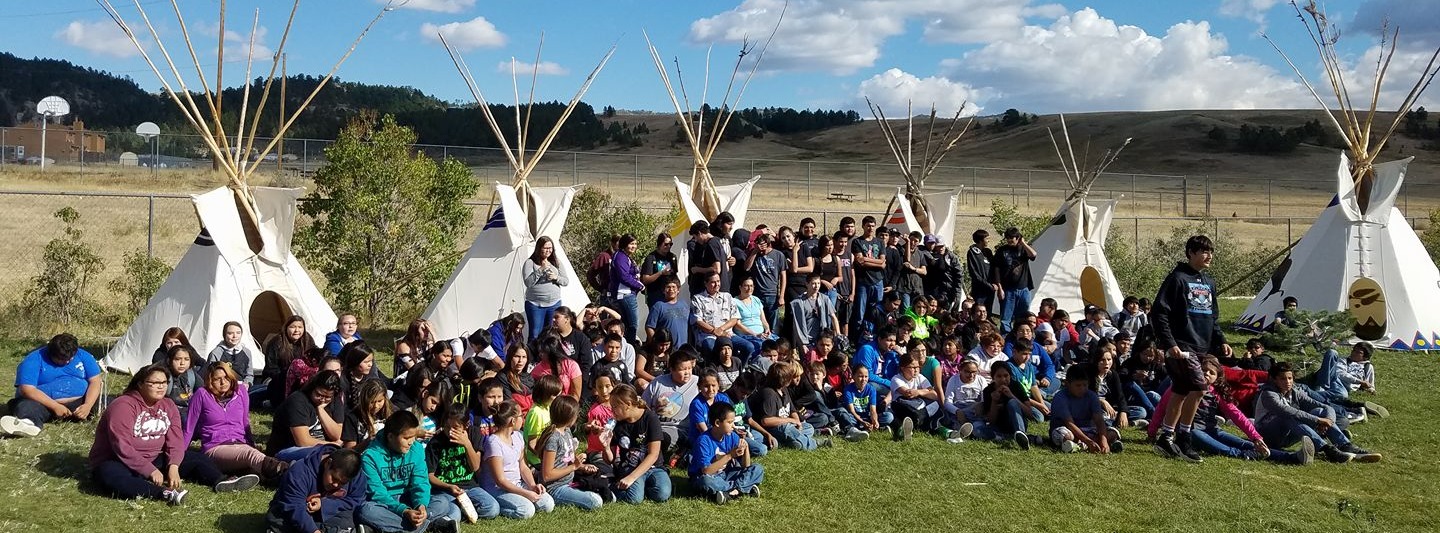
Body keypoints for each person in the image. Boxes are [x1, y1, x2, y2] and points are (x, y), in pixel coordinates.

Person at [89, 364, 258, 506]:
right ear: (140, 384)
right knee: (111, 477)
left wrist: (173, 466)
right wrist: (150, 470)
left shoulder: (168, 405)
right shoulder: (123, 405)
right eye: (154, 383)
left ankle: (222, 481)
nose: (161, 386)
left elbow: (175, 439)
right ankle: (163, 493)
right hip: (117, 460)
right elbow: (122, 445)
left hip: (155, 456)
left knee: (196, 458)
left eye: (164, 382)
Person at [1150, 235, 1233, 463]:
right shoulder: (1177, 279)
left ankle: (1167, 437)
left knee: (1181, 390)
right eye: (1204, 251)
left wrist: (1221, 340)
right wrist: (1170, 344)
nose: (1209, 256)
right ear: (1191, 253)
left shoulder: (1209, 282)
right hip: (1182, 347)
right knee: (1198, 388)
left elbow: (1213, 317)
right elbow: (1159, 313)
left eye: (1211, 252)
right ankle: (1184, 436)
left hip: (1202, 345)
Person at [1148, 356, 1313, 465]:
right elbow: (1162, 408)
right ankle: (1246, 455)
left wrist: (1255, 437)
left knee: (1245, 443)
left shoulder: (1216, 392)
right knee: (1223, 447)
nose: (1206, 374)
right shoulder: (1182, 388)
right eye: (1203, 370)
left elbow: (1236, 415)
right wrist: (1152, 432)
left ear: (1217, 378)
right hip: (1193, 433)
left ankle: (1293, 458)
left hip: (1212, 429)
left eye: (1211, 372)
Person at [1255, 362, 1381, 463]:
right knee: (1288, 416)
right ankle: (1327, 449)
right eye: (1283, 379)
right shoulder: (1268, 394)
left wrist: (1328, 420)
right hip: (1267, 436)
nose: (1287, 382)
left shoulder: (1294, 391)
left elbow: (1325, 407)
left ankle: (1345, 445)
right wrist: (1317, 421)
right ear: (1274, 380)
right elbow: (1288, 411)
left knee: (1319, 411)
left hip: (1288, 435)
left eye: (1290, 378)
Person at [185, 362, 288, 479]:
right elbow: (189, 428)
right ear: (210, 381)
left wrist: (250, 444)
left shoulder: (241, 391)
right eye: (217, 379)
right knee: (251, 455)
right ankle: (286, 470)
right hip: (215, 447)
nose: (223, 382)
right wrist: (178, 458)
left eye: (226, 377)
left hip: (239, 443)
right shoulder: (202, 395)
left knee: (255, 464)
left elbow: (245, 422)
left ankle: (282, 478)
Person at [359, 410, 458, 532]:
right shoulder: (370, 456)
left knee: (442, 502)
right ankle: (429, 525)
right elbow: (377, 493)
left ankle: (383, 528)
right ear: (390, 437)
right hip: (385, 503)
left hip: (409, 498)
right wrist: (404, 511)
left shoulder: (416, 449)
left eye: (414, 437)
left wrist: (421, 505)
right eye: (406, 438)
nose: (411, 442)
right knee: (366, 510)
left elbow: (420, 482)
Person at [2, 333, 102, 438]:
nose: (67, 361)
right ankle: (28, 424)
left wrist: (87, 405)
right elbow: (27, 389)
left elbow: (95, 381)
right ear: (51, 353)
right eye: (61, 359)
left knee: (107, 402)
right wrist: (55, 406)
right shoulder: (34, 359)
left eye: (70, 358)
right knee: (25, 406)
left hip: (79, 401)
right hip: (43, 403)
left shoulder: (83, 355)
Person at [265, 445, 367, 533]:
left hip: (330, 513)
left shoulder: (357, 476)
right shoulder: (299, 472)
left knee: (346, 520)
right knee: (280, 519)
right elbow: (294, 507)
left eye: (342, 483)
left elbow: (355, 499)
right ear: (328, 463)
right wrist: (313, 531)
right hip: (296, 510)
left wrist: (324, 504)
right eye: (334, 478)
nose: (336, 485)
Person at [426, 410, 501, 524]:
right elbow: (430, 475)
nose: (450, 431)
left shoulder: (474, 434)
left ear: (466, 425)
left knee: (493, 508)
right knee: (454, 515)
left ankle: (463, 510)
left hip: (470, 487)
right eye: (447, 427)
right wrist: (448, 486)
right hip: (445, 490)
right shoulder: (436, 442)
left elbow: (475, 467)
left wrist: (466, 444)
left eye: (455, 427)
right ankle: (456, 512)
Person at [536, 395, 606, 510]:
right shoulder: (553, 438)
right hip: (555, 488)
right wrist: (574, 466)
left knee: (601, 483)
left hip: (570, 480)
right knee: (595, 501)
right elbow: (547, 475)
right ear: (569, 417)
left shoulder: (567, 431)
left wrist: (582, 467)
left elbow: (566, 461)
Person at [608, 384, 673, 504]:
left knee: (662, 494)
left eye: (615, 407)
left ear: (627, 404)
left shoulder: (650, 418)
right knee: (634, 499)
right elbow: (610, 460)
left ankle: (639, 485)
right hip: (630, 466)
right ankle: (612, 488)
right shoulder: (617, 424)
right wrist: (605, 446)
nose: (612, 411)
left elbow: (653, 455)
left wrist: (631, 478)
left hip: (653, 467)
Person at [690, 402, 764, 505]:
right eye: (730, 422)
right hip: (709, 477)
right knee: (706, 482)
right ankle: (744, 488)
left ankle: (732, 492)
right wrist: (729, 456)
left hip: (726, 474)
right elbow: (706, 471)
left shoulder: (731, 436)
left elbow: (746, 466)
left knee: (757, 468)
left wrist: (745, 448)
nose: (733, 426)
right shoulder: (704, 440)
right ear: (717, 423)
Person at [269, 371, 346, 462]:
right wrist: (332, 446)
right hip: (288, 449)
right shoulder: (297, 401)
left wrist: (321, 410)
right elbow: (303, 441)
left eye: (327, 397)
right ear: (312, 388)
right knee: (327, 457)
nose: (322, 399)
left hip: (321, 448)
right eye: (318, 394)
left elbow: (337, 435)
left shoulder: (334, 401)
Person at [1049, 365, 1121, 454]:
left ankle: (1079, 445)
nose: (1082, 389)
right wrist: (1088, 441)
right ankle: (1086, 444)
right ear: (1067, 384)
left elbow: (1099, 420)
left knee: (1113, 433)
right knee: (1065, 435)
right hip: (1069, 430)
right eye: (1078, 385)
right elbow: (1069, 424)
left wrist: (1104, 440)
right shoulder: (1060, 397)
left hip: (1089, 430)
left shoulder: (1092, 396)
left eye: (1085, 385)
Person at [643, 347, 700, 455]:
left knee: (664, 439)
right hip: (657, 425)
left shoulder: (697, 382)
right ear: (672, 369)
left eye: (689, 368)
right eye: (682, 369)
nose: (687, 372)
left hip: (681, 428)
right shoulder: (658, 382)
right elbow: (643, 405)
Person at [692, 272, 757, 355]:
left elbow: (734, 318)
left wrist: (721, 330)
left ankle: (737, 366)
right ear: (705, 283)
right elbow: (698, 321)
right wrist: (714, 331)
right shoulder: (698, 299)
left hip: (728, 335)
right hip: (708, 336)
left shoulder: (727, 296)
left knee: (749, 347)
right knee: (709, 346)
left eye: (718, 281)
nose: (717, 284)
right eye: (713, 282)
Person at [990, 227, 1036, 334]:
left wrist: (1023, 243)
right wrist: (1000, 288)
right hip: (1008, 289)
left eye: (1012, 238)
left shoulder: (1023, 249)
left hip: (1024, 288)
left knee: (1023, 316)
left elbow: (1033, 255)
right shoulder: (1002, 251)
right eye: (1008, 238)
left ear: (1018, 238)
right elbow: (996, 269)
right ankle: (1006, 337)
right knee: (1006, 317)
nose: (1010, 240)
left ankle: (1022, 335)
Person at [264, 316, 316, 410]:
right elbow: (270, 368)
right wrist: (288, 375)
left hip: (303, 379)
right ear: (286, 328)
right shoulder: (277, 342)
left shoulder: (308, 340)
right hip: (279, 380)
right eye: (293, 327)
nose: (297, 330)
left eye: (300, 327)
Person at [523, 236, 570, 341]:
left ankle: (547, 356)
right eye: (545, 248)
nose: (548, 250)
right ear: (539, 248)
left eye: (550, 248)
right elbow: (528, 282)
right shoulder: (530, 263)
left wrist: (556, 277)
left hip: (554, 303)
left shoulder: (556, 262)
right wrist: (541, 270)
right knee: (535, 334)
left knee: (551, 334)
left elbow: (566, 281)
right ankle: (533, 356)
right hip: (535, 304)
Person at [850, 216, 887, 336]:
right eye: (868, 226)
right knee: (860, 313)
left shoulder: (879, 242)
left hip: (878, 281)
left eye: (872, 226)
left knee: (878, 311)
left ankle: (878, 335)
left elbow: (882, 261)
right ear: (863, 226)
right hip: (863, 282)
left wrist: (866, 259)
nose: (870, 228)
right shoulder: (858, 242)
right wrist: (876, 262)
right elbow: (860, 261)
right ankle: (857, 338)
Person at [744, 232, 786, 329]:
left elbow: (783, 276)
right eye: (759, 245)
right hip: (757, 294)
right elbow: (746, 268)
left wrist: (782, 296)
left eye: (763, 245)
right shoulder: (755, 254)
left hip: (772, 294)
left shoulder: (778, 255)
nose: (762, 249)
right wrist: (755, 251)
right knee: (759, 323)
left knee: (774, 325)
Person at [608, 234, 645, 344]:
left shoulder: (626, 257)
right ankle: (630, 347)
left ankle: (625, 346)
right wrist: (639, 285)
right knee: (632, 325)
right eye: (631, 244)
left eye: (635, 244)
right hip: (625, 294)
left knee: (627, 325)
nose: (634, 246)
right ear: (624, 244)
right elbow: (624, 276)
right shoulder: (620, 257)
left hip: (627, 294)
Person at [788, 274, 840, 350]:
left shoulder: (824, 299)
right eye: (813, 283)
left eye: (818, 283)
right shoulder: (799, 302)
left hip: (822, 339)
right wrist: (803, 344)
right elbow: (797, 325)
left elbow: (833, 317)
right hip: (807, 339)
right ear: (807, 284)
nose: (816, 286)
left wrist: (838, 334)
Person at [522, 375, 563, 467]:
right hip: (537, 461)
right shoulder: (536, 413)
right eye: (555, 395)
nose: (558, 398)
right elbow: (531, 444)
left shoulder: (548, 407)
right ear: (545, 394)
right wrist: (544, 458)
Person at [342, 379, 392, 450]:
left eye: (380, 401)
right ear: (364, 400)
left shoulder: (392, 413)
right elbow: (349, 451)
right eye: (372, 402)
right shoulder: (352, 417)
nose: (376, 406)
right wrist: (367, 442)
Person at [734, 277, 778, 355]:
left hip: (761, 334)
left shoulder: (756, 300)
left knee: (780, 343)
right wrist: (755, 334)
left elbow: (763, 319)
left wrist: (767, 329)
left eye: (751, 286)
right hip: (746, 335)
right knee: (762, 346)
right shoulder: (735, 301)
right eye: (746, 286)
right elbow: (737, 324)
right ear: (740, 287)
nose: (749, 288)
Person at [645, 276, 691, 347]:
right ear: (663, 290)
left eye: (673, 287)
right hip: (666, 350)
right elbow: (649, 327)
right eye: (668, 287)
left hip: (683, 349)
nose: (671, 289)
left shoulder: (684, 304)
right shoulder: (658, 306)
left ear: (678, 290)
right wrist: (656, 344)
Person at [640, 233, 679, 308]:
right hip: (655, 293)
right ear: (659, 244)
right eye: (666, 244)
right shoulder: (651, 258)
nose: (668, 246)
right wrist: (661, 273)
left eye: (670, 244)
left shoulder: (672, 257)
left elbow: (675, 274)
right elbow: (645, 279)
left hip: (669, 292)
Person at [165, 345, 201, 425]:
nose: (182, 363)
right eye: (177, 359)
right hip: (171, 411)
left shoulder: (191, 375)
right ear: (169, 360)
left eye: (186, 359)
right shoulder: (165, 376)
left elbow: (203, 391)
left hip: (189, 409)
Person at [588, 234, 620, 300]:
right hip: (608, 295)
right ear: (613, 243)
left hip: (620, 294)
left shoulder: (622, 258)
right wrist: (601, 289)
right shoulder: (604, 256)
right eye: (618, 242)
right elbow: (590, 274)